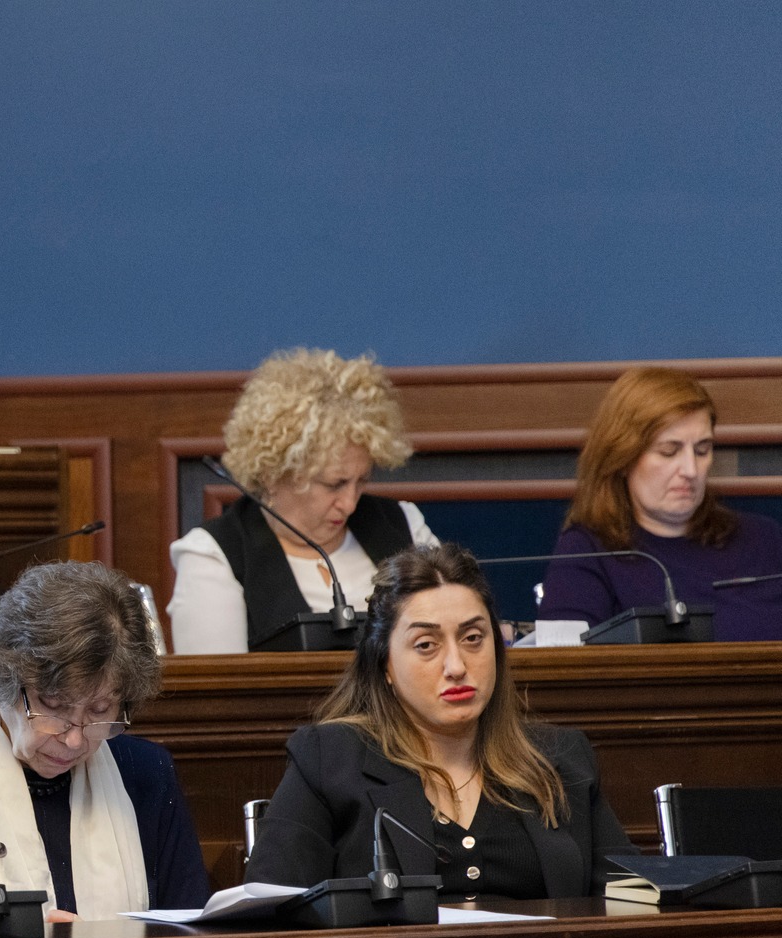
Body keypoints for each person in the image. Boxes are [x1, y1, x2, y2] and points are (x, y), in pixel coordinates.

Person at [246, 545, 636, 899]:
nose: (456, 666)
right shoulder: (329, 760)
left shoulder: (560, 759)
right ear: (385, 664)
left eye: (473, 638)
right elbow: (270, 910)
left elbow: (630, 898)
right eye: (426, 646)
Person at [0, 561, 210, 917]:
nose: (75, 740)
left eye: (100, 710)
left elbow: (189, 929)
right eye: (53, 706)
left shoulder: (147, 772)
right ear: (7, 679)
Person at [169, 347, 441, 654]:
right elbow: (217, 683)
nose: (350, 504)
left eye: (361, 481)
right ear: (274, 474)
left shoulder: (403, 524)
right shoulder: (215, 555)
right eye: (334, 484)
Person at [540, 367, 782, 641]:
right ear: (623, 458)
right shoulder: (587, 551)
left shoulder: (765, 539)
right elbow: (563, 660)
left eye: (702, 450)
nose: (691, 470)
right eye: (669, 451)